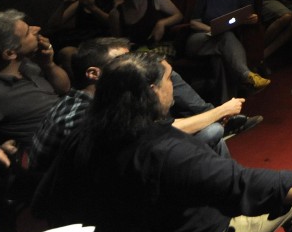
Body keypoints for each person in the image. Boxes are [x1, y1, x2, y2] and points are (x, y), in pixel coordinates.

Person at [37, 51, 292, 232]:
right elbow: (243, 184)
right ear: (151, 91)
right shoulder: (166, 151)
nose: (172, 89)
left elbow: (45, 202)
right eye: (167, 81)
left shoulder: (83, 136)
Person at [31, 37, 252, 173]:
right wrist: (220, 110)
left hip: (105, 170)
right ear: (93, 74)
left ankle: (225, 186)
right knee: (210, 132)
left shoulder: (105, 101)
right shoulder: (84, 114)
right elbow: (155, 134)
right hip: (80, 193)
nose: (134, 67)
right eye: (121, 63)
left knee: (210, 133)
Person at [0, 10, 69, 160]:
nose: (37, 28)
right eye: (27, 33)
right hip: (53, 158)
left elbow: (64, 88)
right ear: (10, 53)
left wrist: (49, 64)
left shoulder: (27, 65)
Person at [186, 0, 271, 92]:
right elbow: (193, 22)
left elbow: (248, 15)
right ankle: (246, 74)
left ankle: (226, 103)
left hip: (226, 44)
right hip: (202, 39)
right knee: (224, 34)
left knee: (219, 58)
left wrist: (253, 18)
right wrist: (211, 29)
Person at [106, 0, 182, 51]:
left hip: (160, 46)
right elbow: (118, 43)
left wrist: (162, 23)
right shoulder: (116, 13)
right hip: (135, 52)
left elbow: (178, 15)